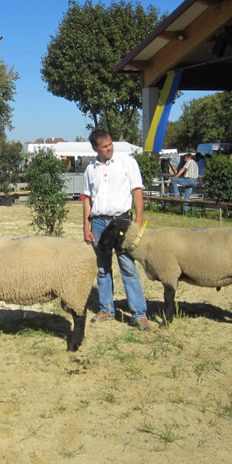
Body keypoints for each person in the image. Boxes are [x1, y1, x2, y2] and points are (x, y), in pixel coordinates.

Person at [82, 128, 151, 331]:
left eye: (110, 144)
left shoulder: (127, 162)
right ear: (95, 148)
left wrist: (137, 222)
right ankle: (106, 309)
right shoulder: (90, 169)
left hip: (121, 222)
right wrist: (86, 226)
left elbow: (137, 192)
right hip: (98, 222)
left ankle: (139, 314)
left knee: (128, 268)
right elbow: (87, 200)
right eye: (104, 146)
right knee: (102, 269)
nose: (109, 148)